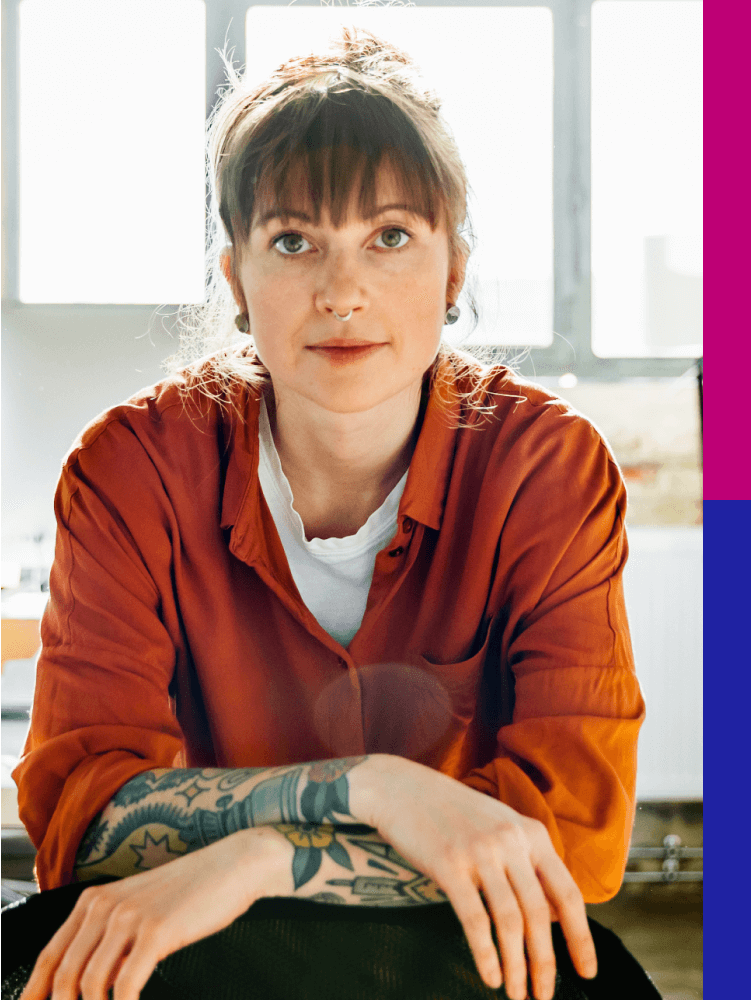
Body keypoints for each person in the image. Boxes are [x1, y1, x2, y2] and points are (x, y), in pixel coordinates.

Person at [8, 26, 650, 1000]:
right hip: (190, 945)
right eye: (294, 240)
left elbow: (570, 840)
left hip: (437, 952)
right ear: (236, 279)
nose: (341, 290)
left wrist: (267, 856)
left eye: (389, 235)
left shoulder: (542, 469)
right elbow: (83, 817)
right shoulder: (130, 465)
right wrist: (370, 787)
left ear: (452, 270)